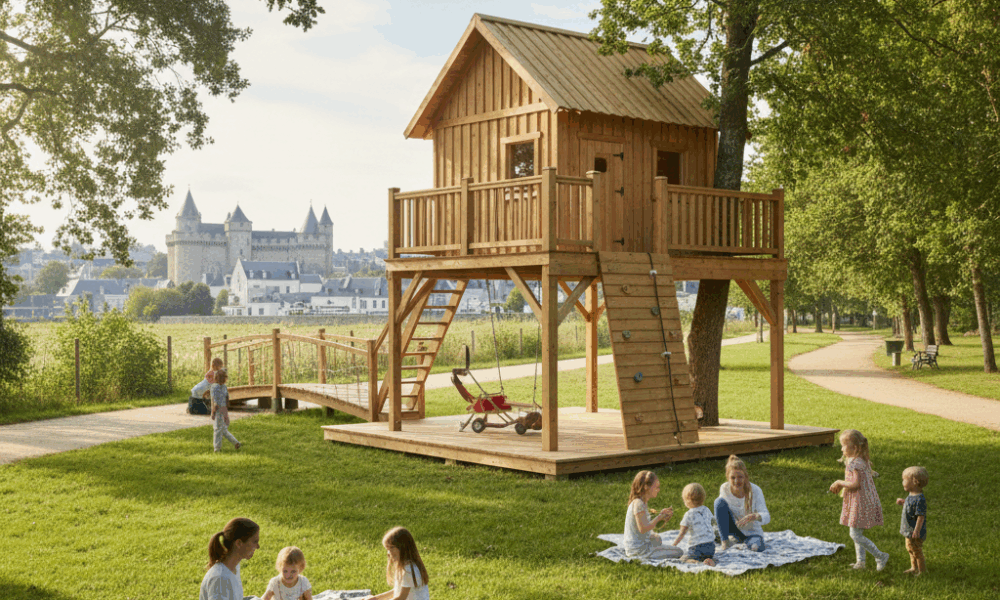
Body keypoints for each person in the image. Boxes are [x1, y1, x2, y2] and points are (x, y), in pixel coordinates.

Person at [829, 429, 889, 571]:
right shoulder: (859, 460)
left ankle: (880, 556)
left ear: (854, 448)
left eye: (843, 445)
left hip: (860, 502)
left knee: (855, 534)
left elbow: (855, 484)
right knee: (857, 533)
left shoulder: (855, 464)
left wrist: (839, 482)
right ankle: (860, 562)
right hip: (861, 500)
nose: (842, 448)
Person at [622, 470, 683, 560]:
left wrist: (663, 517)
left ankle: (654, 549)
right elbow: (642, 529)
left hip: (638, 545)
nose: (658, 490)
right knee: (679, 551)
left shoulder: (642, 502)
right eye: (656, 487)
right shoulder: (639, 504)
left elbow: (645, 525)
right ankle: (646, 554)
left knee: (658, 539)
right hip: (639, 551)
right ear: (646, 487)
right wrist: (659, 517)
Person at [714, 455, 770, 552]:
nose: (737, 481)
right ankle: (725, 541)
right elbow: (720, 511)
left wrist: (754, 516)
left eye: (740, 477)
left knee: (757, 548)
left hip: (752, 533)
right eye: (733, 477)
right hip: (733, 530)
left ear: (745, 476)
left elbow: (767, 516)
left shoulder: (755, 490)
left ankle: (746, 542)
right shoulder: (724, 488)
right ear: (727, 477)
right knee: (718, 502)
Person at [199, 517, 260, 600]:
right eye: (254, 541)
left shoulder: (234, 567)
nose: (258, 546)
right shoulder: (220, 579)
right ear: (239, 543)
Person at [364, 526, 430, 600]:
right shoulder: (404, 565)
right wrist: (376, 598)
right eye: (387, 549)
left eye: (391, 548)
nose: (388, 553)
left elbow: (401, 597)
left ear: (403, 548)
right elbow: (396, 591)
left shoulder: (408, 571)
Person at [671, 483, 716, 566]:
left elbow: (682, 533)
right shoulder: (706, 510)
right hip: (711, 547)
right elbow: (712, 522)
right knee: (705, 554)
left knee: (684, 559)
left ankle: (699, 563)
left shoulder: (688, 515)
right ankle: (708, 559)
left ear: (688, 501)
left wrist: (673, 545)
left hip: (697, 548)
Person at [896, 466, 928, 575]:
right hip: (908, 529)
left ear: (914, 482)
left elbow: (920, 516)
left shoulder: (920, 499)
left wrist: (917, 530)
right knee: (910, 549)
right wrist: (904, 503)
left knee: (916, 551)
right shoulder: (912, 495)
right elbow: (912, 508)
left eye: (904, 480)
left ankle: (922, 571)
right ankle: (914, 568)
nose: (902, 482)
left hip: (914, 532)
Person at [210, 369, 241, 452]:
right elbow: (227, 398)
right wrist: (226, 411)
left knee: (217, 429)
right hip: (224, 409)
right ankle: (236, 442)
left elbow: (214, 401)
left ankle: (217, 448)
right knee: (223, 429)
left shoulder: (214, 387)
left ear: (215, 378)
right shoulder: (224, 387)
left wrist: (213, 412)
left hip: (218, 409)